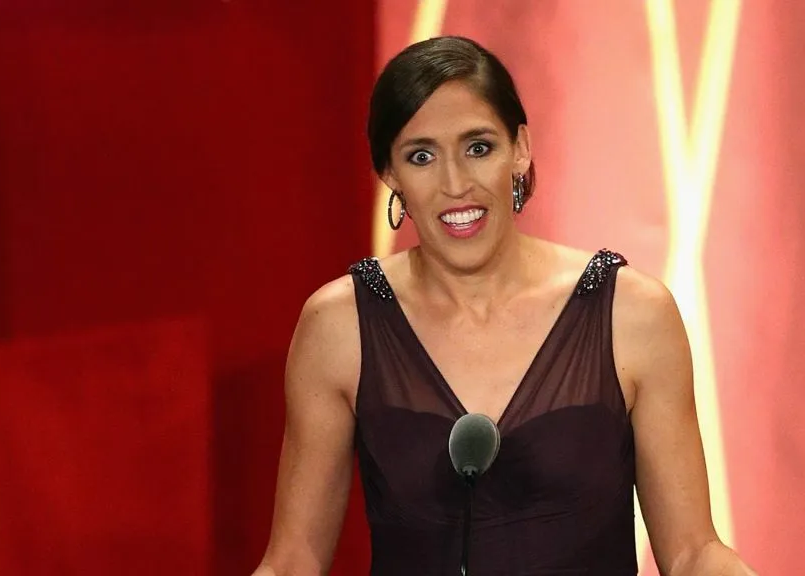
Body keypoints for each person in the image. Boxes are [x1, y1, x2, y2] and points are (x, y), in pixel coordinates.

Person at [253, 36, 756, 576]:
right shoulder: (340, 326)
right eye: (421, 156)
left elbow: (690, 550)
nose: (455, 185)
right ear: (389, 174)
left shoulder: (630, 313)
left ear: (519, 150)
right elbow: (293, 561)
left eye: (478, 147)